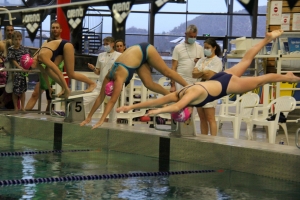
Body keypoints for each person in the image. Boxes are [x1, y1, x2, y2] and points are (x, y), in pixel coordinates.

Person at [116, 30, 300, 121]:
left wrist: (157, 111)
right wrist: (131, 107)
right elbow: (155, 101)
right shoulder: (182, 94)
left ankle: (290, 77)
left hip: (226, 85)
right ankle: (267, 39)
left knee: (263, 78)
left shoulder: (187, 96)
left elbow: (170, 106)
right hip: (217, 80)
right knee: (245, 61)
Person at [80, 42, 189, 129]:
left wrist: (101, 120)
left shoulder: (119, 78)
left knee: (166, 72)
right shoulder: (108, 76)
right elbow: (100, 97)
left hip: (145, 50)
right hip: (137, 58)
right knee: (148, 84)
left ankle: (188, 86)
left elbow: (112, 101)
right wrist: (89, 117)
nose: (119, 91)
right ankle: (174, 97)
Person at [21, 39, 97, 99]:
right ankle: (64, 87)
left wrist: (67, 89)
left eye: (30, 68)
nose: (31, 70)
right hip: (57, 50)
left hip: (66, 46)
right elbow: (44, 73)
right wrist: (49, 88)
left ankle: (92, 83)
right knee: (48, 70)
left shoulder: (42, 57)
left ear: (31, 63)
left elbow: (58, 72)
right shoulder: (35, 60)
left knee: (71, 74)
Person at [25, 21, 64, 112]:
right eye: (53, 27)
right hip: (45, 71)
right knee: (35, 94)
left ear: (60, 30)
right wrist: (31, 62)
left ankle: (48, 116)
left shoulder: (63, 44)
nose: (54, 29)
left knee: (51, 100)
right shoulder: (46, 42)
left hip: (55, 72)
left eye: (57, 27)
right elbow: (38, 54)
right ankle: (24, 114)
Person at [83, 36, 121, 122]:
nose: (105, 46)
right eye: (104, 44)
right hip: (100, 83)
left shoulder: (119, 56)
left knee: (112, 108)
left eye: (107, 44)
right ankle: (85, 117)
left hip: (112, 84)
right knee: (87, 99)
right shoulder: (100, 55)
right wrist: (93, 68)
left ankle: (113, 126)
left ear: (112, 44)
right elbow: (98, 72)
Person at [192, 38, 223, 136]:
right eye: (204, 47)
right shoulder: (201, 60)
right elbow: (194, 74)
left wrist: (200, 73)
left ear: (214, 48)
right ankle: (204, 139)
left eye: (208, 48)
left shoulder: (217, 61)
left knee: (210, 118)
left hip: (210, 91)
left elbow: (211, 75)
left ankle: (213, 141)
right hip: (199, 90)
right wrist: (204, 72)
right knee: (202, 118)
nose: (205, 49)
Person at [170, 24, 204, 92]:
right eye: (191, 36)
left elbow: (203, 66)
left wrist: (199, 62)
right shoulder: (178, 48)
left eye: (195, 37)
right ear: (186, 34)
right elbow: (173, 68)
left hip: (195, 82)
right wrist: (173, 85)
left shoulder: (200, 48)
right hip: (180, 81)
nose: (193, 38)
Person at [7, 31, 29, 111]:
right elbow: (13, 60)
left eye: (19, 39)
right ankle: (16, 107)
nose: (18, 41)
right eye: (16, 39)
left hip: (23, 72)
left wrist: (27, 68)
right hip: (15, 73)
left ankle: (23, 107)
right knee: (15, 91)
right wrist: (19, 67)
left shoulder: (24, 48)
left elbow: (28, 58)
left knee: (23, 90)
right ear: (12, 40)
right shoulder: (11, 49)